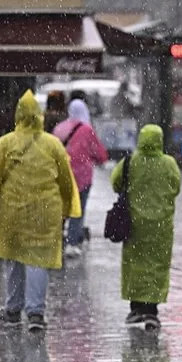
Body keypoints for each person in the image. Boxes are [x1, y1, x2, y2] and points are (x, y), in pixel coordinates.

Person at [0, 90, 81, 331]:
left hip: (11, 213)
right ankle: (35, 313)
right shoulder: (52, 144)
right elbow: (65, 180)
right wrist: (67, 208)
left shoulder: (6, 143)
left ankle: (13, 309)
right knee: (38, 261)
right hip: (44, 213)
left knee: (13, 258)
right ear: (39, 116)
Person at [111, 124, 181, 330]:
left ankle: (136, 307)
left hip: (134, 224)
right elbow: (175, 187)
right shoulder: (169, 164)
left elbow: (116, 182)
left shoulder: (130, 161)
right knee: (156, 266)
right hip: (161, 226)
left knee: (135, 265)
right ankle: (151, 311)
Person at [53, 99, 108, 258]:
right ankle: (72, 243)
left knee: (62, 209)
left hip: (62, 176)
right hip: (82, 177)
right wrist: (101, 159)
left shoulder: (59, 128)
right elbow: (99, 153)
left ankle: (56, 241)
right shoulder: (87, 130)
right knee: (78, 209)